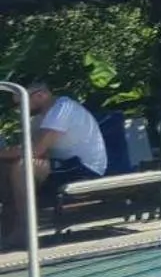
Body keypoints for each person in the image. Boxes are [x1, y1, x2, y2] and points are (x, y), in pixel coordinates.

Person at [0, 82, 107, 247]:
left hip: (82, 167)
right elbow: (33, 151)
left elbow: (35, 149)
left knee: (22, 167)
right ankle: (8, 227)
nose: (19, 109)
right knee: (6, 168)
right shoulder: (38, 119)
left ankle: (25, 230)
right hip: (61, 165)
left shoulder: (63, 108)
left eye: (21, 103)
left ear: (41, 95)